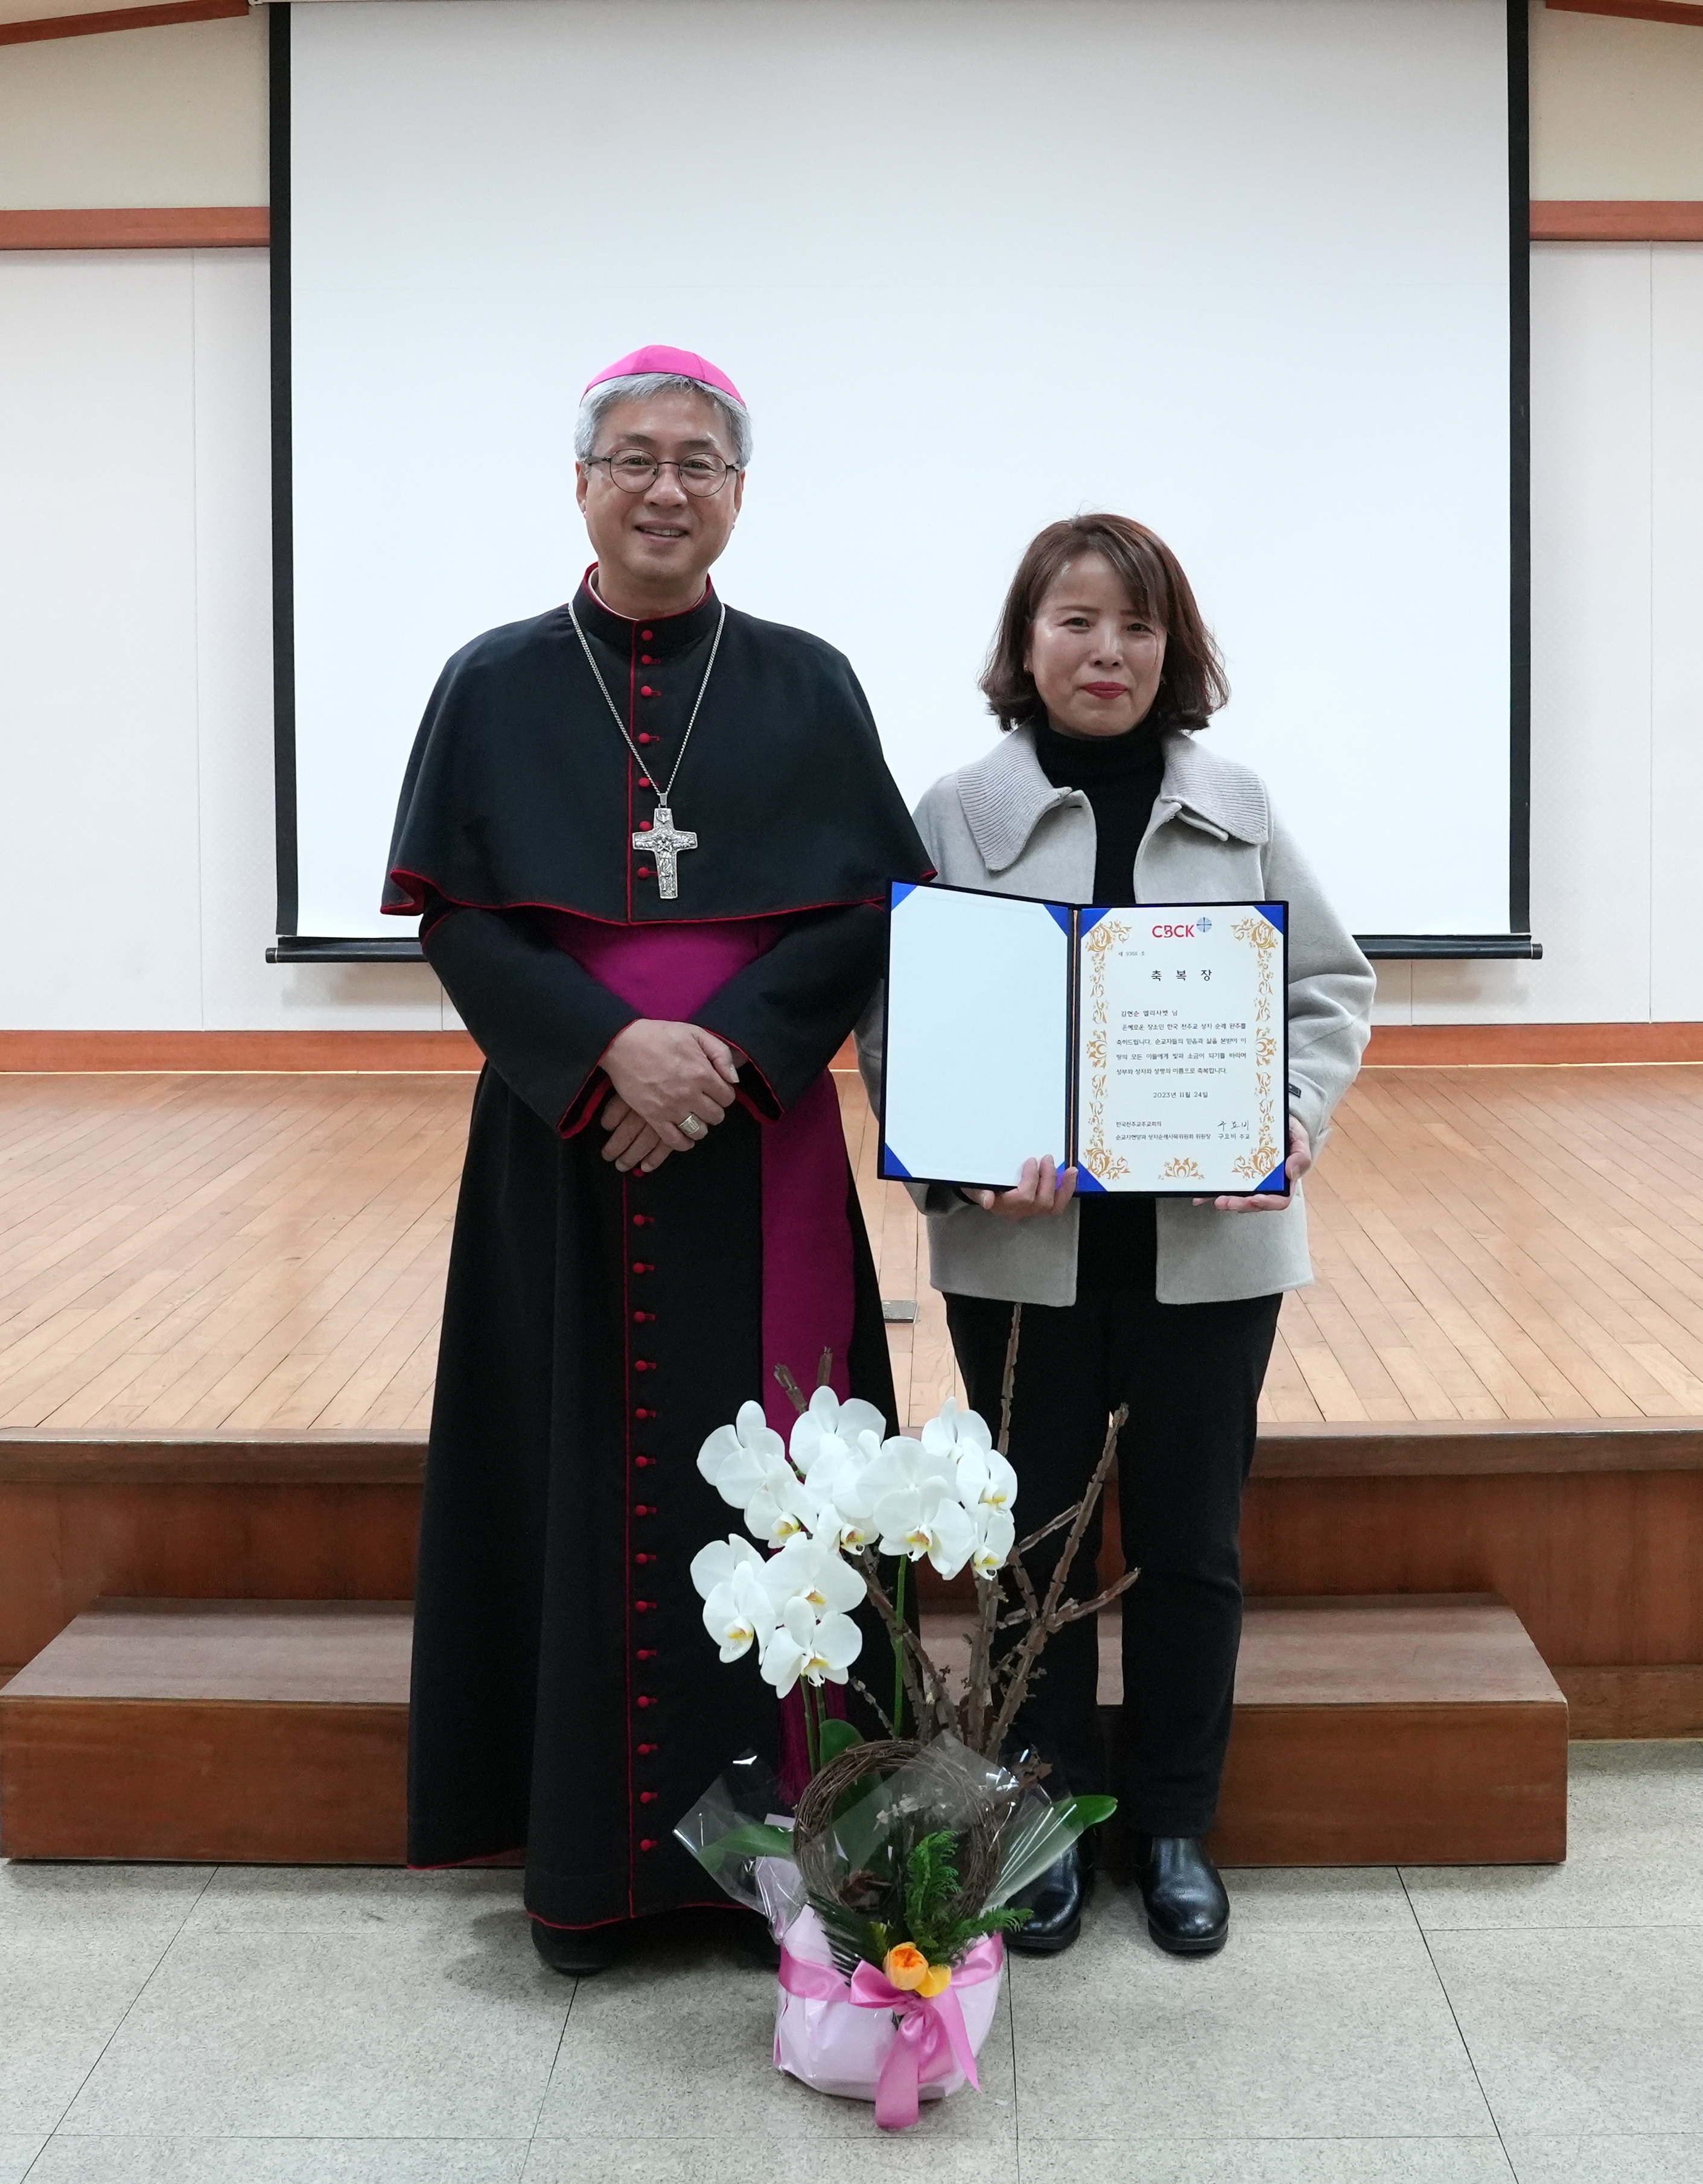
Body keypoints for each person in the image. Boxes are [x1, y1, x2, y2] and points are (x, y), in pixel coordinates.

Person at [385, 345, 931, 1975]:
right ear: (580, 481)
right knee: (567, 1473)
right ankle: (588, 1871)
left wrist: (726, 1058)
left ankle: (789, 1866)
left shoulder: (806, 681)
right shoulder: (490, 682)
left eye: (698, 461)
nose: (664, 487)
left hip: (752, 1145)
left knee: (784, 1492)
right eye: (633, 458)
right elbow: (463, 917)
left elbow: (853, 914)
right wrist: (602, 1053)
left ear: (736, 495)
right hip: (563, 1148)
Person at [860, 514, 1373, 1957]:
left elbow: (1329, 987)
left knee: (1192, 1539)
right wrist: (959, 1166)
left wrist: (1284, 1116)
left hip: (1210, 1250)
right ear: (1025, 644)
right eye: (1075, 621)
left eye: (1136, 626)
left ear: (1175, 646)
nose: (1108, 651)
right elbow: (902, 1010)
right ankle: (1041, 1817)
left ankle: (1169, 1822)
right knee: (1032, 1542)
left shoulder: (1239, 798)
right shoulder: (956, 808)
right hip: (1029, 1250)